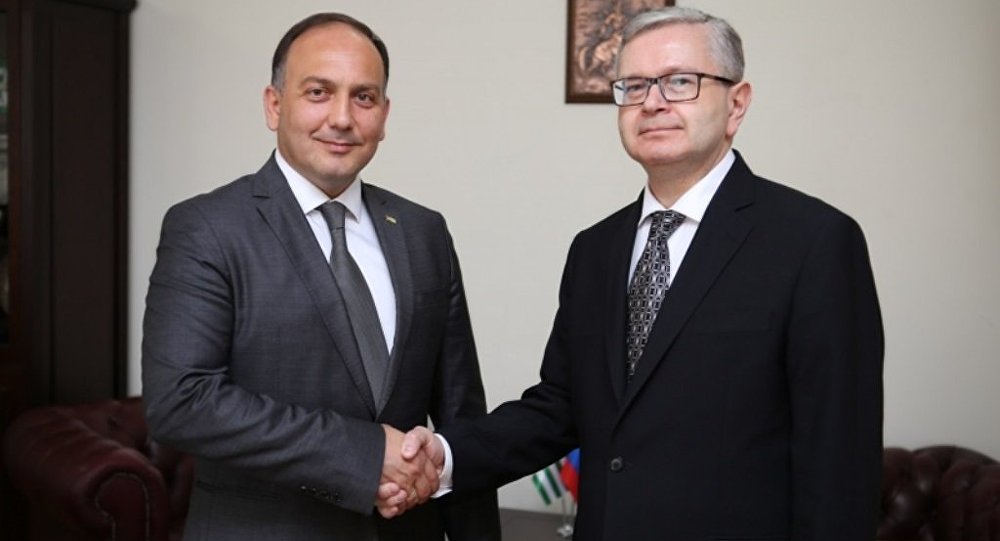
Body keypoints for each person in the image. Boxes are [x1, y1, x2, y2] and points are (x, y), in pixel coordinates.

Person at [388, 6, 884, 540]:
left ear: (737, 103)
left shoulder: (814, 242)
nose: (652, 102)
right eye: (634, 86)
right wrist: (445, 456)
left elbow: (839, 463)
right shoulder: (595, 250)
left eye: (680, 82)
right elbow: (561, 407)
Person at [141, 12, 499, 541]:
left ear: (384, 114)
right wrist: (364, 454)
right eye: (318, 92)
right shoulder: (207, 228)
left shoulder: (423, 232)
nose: (342, 118)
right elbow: (181, 402)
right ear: (274, 104)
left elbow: (460, 415)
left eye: (364, 97)